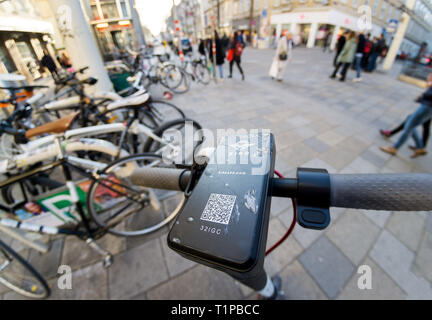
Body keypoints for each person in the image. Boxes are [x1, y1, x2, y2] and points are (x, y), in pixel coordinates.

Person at [380, 74, 432, 157]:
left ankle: (395, 148)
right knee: (410, 125)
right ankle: (420, 147)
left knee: (409, 125)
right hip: (427, 106)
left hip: (428, 107)